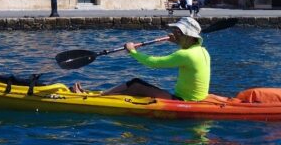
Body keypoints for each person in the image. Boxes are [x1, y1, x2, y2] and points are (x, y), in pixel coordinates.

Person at [71, 17, 210, 102]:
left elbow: (154, 63)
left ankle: (94, 98)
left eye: (179, 33)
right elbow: (187, 52)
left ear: (190, 37)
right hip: (194, 98)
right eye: (176, 32)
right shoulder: (202, 51)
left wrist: (133, 51)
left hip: (183, 100)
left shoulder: (185, 55)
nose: (175, 34)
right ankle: (98, 95)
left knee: (135, 84)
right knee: (134, 86)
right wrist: (177, 41)